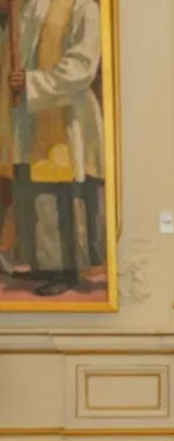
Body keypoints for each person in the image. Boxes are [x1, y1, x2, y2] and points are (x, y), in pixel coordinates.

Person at [4, 0, 105, 295]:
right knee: (35, 192)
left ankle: (67, 269)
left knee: (63, 193)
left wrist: (33, 81)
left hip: (67, 113)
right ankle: (43, 264)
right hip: (30, 114)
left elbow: (83, 64)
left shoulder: (83, 7)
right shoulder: (27, 7)